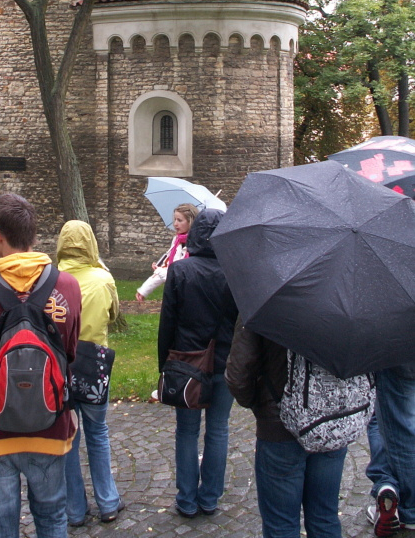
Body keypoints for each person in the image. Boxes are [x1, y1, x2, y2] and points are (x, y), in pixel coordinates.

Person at [0, 194, 81, 538]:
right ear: (33, 233)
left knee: (2, 526)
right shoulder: (68, 286)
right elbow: (69, 349)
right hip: (50, 422)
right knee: (53, 515)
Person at [225, 318, 347, 538]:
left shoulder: (263, 295)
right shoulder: (347, 296)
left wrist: (258, 404)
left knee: (282, 524)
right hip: (332, 420)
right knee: (324, 517)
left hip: (278, 422)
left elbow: (239, 373)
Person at [158, 209, 238, 517]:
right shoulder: (235, 272)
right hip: (224, 362)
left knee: (187, 431)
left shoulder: (182, 271)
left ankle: (188, 498)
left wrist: (163, 362)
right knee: (218, 429)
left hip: (187, 363)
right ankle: (209, 497)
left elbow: (168, 322)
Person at [56, 220, 124, 526]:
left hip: (62, 368)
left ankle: (74, 509)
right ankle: (107, 501)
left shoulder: (52, 280)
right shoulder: (102, 278)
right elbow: (113, 315)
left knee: (69, 437)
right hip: (95, 366)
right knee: (97, 433)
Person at [365, 363, 415, 537]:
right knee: (391, 419)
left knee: (386, 419)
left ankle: (407, 507)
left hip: (397, 354)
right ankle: (387, 485)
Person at [136, 203, 199, 301]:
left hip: (191, 296)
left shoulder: (197, 245)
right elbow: (166, 267)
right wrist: (144, 290)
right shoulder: (176, 241)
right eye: (175, 220)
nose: (175, 224)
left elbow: (180, 275)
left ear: (190, 221)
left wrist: (158, 270)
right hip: (175, 295)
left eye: (180, 220)